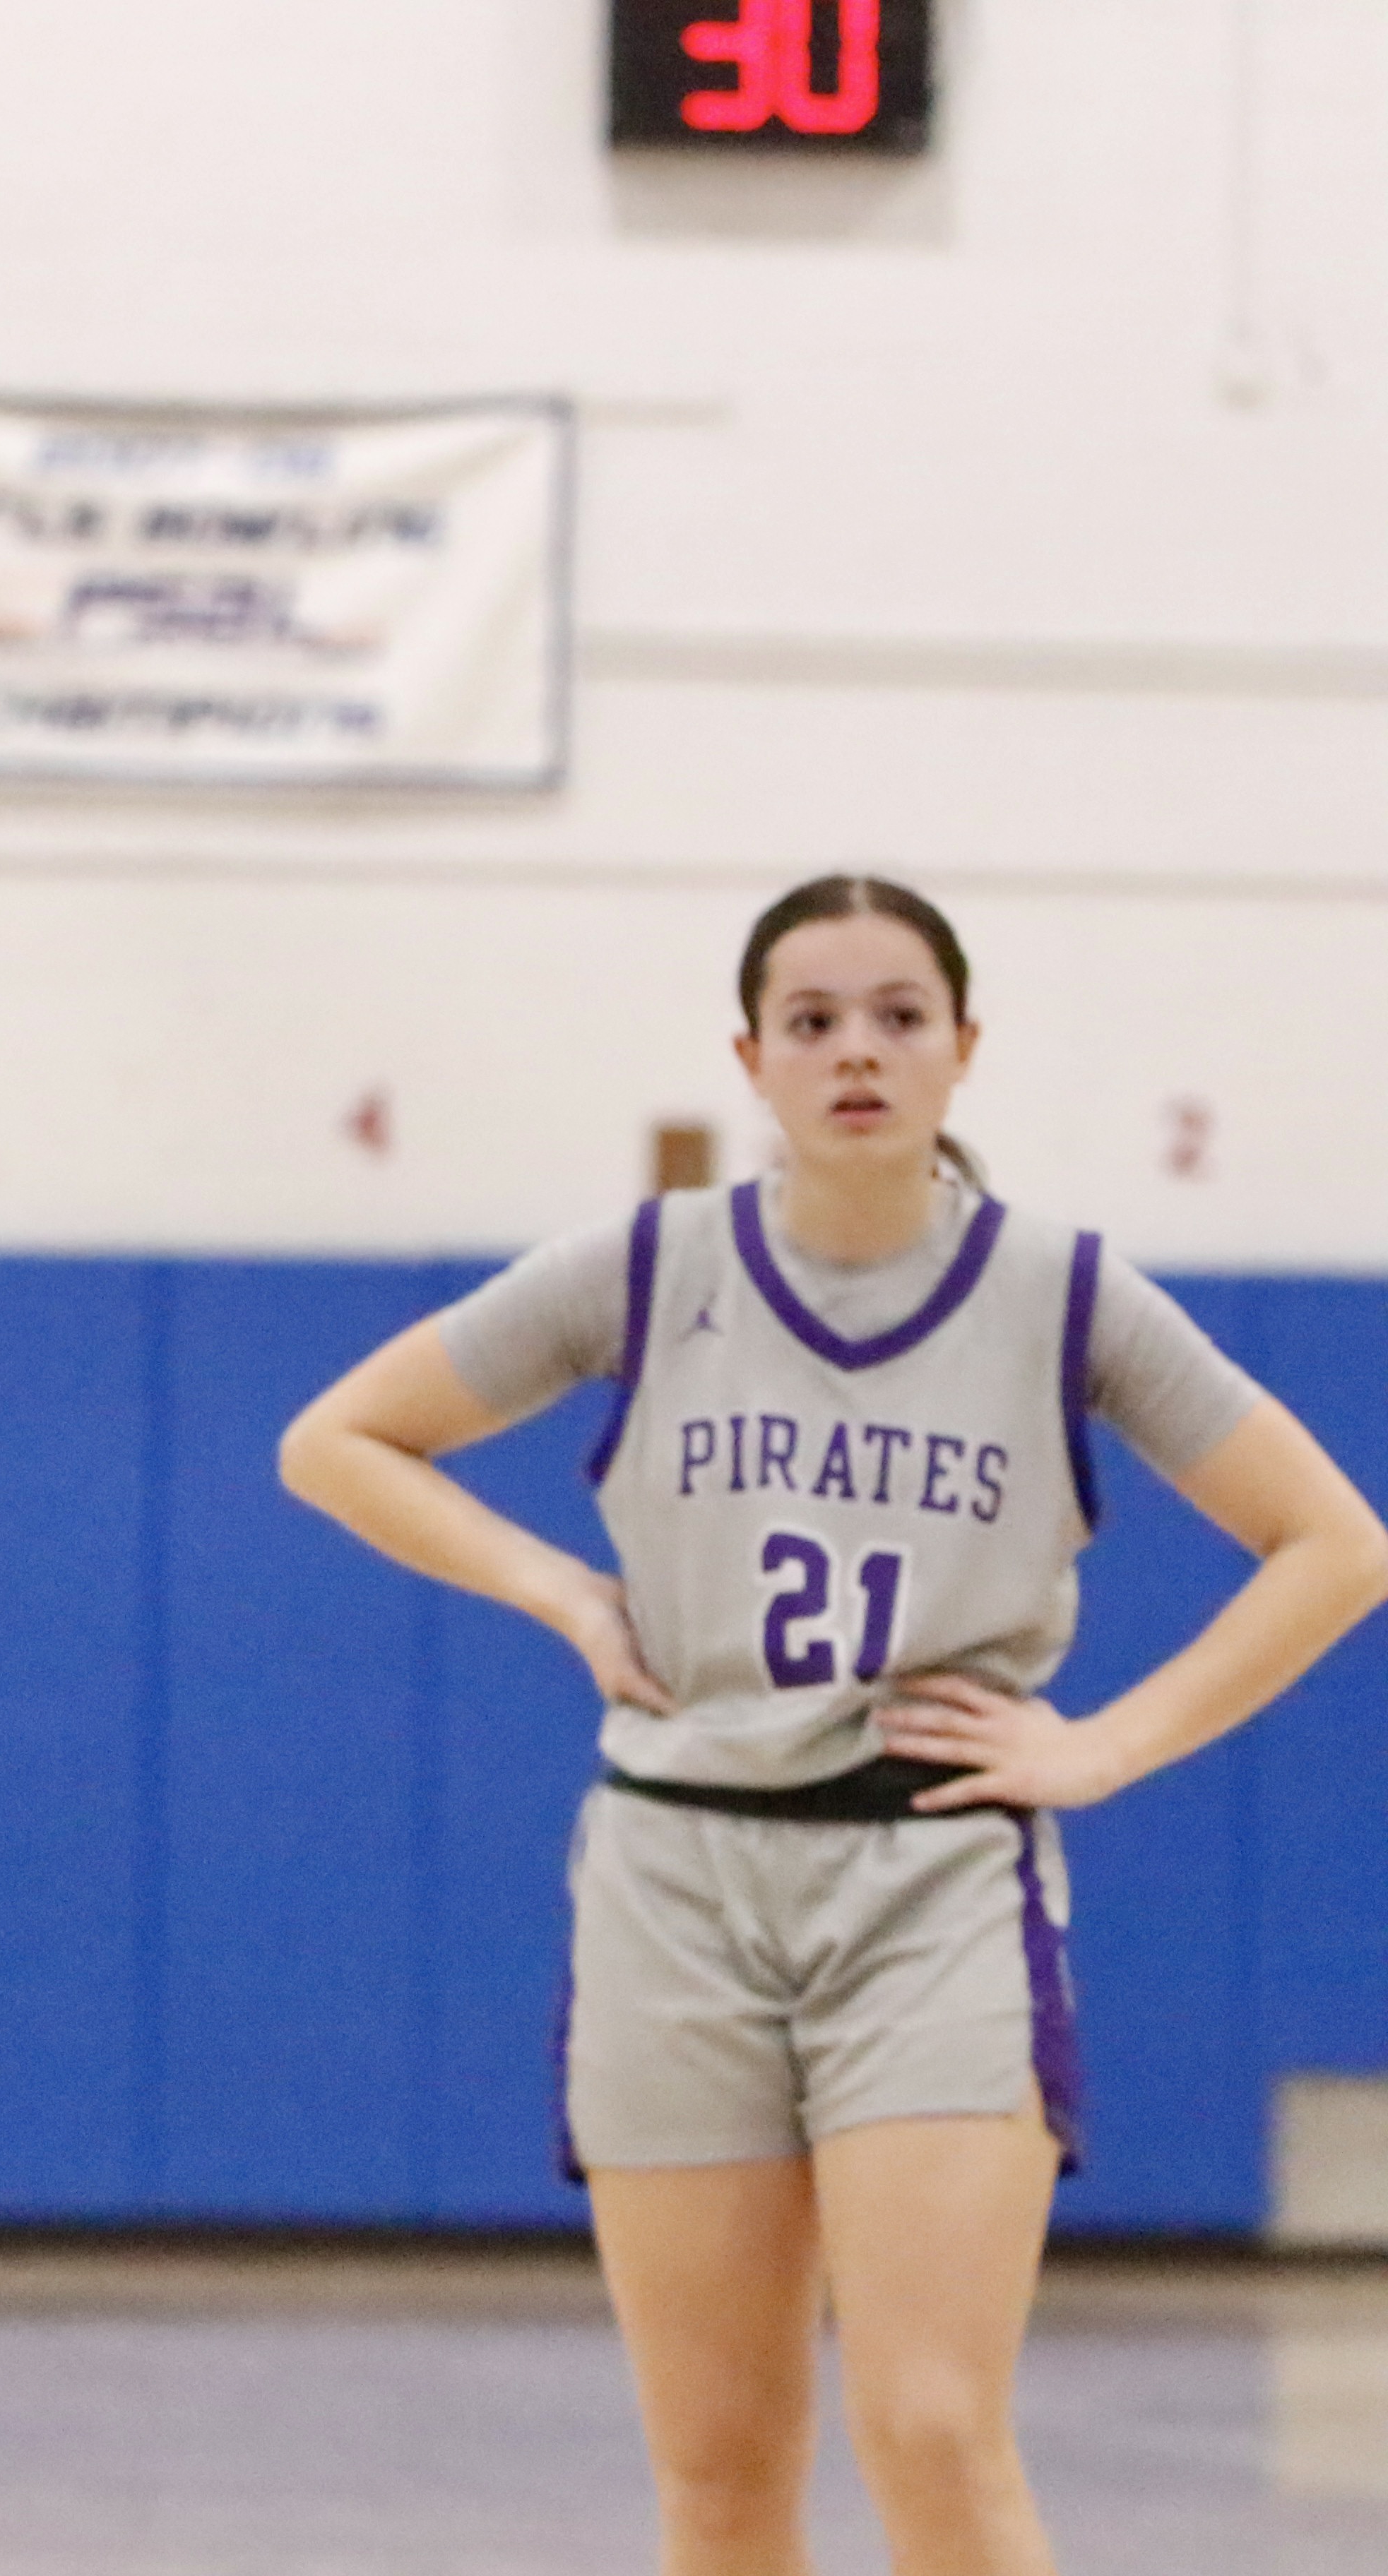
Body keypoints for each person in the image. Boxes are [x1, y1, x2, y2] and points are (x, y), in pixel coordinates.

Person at [278, 876, 1388, 2576]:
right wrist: (564, 1594)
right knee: (718, 2470)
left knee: (931, 2427)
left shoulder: (1062, 1294)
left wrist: (1100, 1747)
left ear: (961, 1051)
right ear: (749, 1056)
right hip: (674, 1883)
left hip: (929, 1881)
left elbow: (1333, 1543)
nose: (853, 1051)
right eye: (809, 1021)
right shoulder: (646, 1272)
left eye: (894, 1015)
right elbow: (336, 1439)